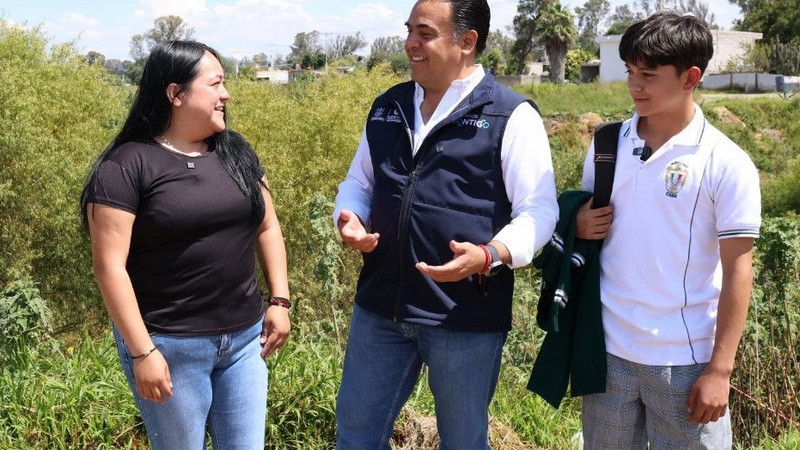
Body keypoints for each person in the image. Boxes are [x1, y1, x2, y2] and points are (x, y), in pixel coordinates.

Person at [332, 0, 558, 448]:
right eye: (409, 31)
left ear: (467, 42)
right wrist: (350, 216)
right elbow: (360, 181)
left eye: (425, 33)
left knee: (462, 441)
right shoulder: (388, 107)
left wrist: (491, 255)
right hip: (381, 307)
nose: (410, 44)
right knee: (356, 434)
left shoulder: (510, 115)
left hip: (464, 315)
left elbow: (539, 210)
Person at [80, 40, 291, 449]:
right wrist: (143, 353)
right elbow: (109, 268)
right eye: (215, 84)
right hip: (170, 346)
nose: (226, 94)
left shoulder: (237, 151)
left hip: (245, 343)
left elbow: (268, 227)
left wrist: (280, 301)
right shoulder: (126, 166)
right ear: (176, 94)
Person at [576, 12, 761, 449]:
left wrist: (720, 370)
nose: (634, 85)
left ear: (690, 77)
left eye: (649, 75)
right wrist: (579, 222)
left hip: (687, 362)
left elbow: (739, 269)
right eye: (630, 72)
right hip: (608, 354)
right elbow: (579, 217)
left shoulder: (725, 162)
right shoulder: (606, 146)